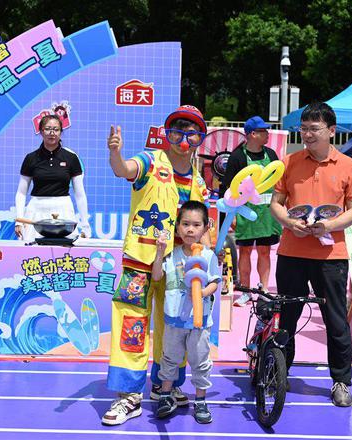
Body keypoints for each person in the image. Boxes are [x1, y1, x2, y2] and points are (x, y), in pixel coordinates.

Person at [102, 105, 209, 425]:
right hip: (140, 261)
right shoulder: (150, 161)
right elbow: (124, 170)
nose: (183, 139)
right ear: (167, 134)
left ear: (200, 138)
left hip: (177, 267)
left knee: (174, 328)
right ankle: (129, 395)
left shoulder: (199, 183)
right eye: (177, 131)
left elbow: (203, 227)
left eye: (192, 132)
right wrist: (116, 154)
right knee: (131, 326)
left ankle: (167, 386)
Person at [270, 102, 352, 407]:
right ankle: (278, 375)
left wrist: (328, 225)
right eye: (303, 128)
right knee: (287, 319)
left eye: (314, 129)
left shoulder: (349, 166)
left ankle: (341, 382)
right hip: (291, 252)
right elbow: (276, 204)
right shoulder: (289, 162)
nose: (307, 134)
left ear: (331, 131)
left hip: (331, 256)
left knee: (336, 321)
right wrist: (289, 223)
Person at [152, 201, 220, 424]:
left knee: (200, 361)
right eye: (185, 224)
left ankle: (200, 400)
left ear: (204, 228)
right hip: (173, 321)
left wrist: (200, 293)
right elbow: (156, 277)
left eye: (196, 225)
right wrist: (160, 252)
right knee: (169, 359)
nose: (190, 229)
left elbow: (214, 284)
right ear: (177, 227)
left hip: (199, 323)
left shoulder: (209, 256)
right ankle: (165, 395)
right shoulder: (171, 255)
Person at [219, 116, 282, 290]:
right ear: (252, 134)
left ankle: (264, 288)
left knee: (264, 251)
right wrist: (228, 216)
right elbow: (226, 188)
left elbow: (278, 182)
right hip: (244, 212)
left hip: (267, 214)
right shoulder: (237, 156)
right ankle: (246, 289)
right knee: (245, 251)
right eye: (263, 131)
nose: (267, 134)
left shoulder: (271, 154)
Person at [14, 114, 90, 242]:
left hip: (63, 209)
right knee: (32, 256)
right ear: (41, 131)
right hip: (36, 210)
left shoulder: (71, 158)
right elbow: (21, 193)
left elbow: (80, 194)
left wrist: (85, 225)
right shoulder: (31, 158)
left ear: (61, 132)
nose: (52, 133)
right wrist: (19, 220)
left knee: (63, 257)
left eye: (56, 129)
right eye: (48, 128)